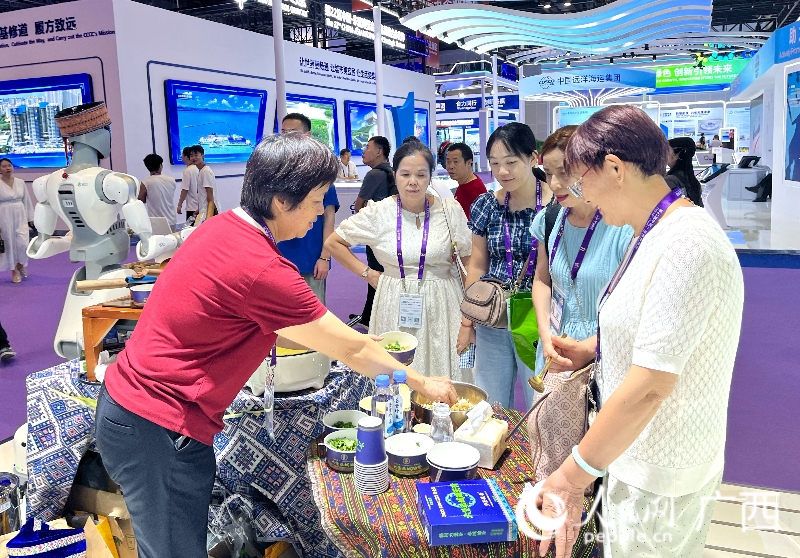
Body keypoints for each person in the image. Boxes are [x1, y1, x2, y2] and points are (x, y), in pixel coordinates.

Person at [96, 134, 457, 558]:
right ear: (282, 201)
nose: (321, 212)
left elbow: (268, 323)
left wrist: (351, 339)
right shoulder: (263, 268)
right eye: (317, 200)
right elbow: (353, 353)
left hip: (132, 413)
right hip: (159, 427)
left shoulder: (223, 227)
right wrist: (422, 382)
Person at [533, 105, 744, 558]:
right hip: (630, 454)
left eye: (581, 180)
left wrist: (570, 477)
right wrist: (594, 349)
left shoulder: (686, 245)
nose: (581, 193)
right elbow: (653, 333)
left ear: (614, 169)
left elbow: (651, 386)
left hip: (661, 471)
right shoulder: (650, 232)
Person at [326, 141, 472, 380]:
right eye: (405, 174)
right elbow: (334, 242)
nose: (413, 181)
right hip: (394, 298)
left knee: (444, 369)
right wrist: (368, 274)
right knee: (395, 374)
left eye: (421, 174)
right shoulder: (379, 212)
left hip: (443, 301)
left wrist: (469, 318)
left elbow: (468, 263)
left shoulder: (450, 210)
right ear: (395, 175)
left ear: (430, 177)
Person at [531, 126, 633, 410]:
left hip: (606, 350)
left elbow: (635, 309)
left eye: (564, 173)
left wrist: (591, 346)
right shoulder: (549, 219)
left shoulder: (622, 226)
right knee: (549, 428)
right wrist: (545, 333)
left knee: (597, 430)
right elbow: (542, 279)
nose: (555, 184)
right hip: (555, 347)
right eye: (548, 173)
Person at [462, 123, 553, 409]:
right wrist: (467, 322)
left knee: (540, 400)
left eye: (511, 162)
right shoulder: (486, 205)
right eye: (494, 163)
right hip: (493, 312)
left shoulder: (556, 206)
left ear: (533, 158)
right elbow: (477, 265)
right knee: (490, 400)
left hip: (540, 317)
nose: (502, 172)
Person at [277, 123, 339, 303]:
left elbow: (329, 219)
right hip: (278, 259)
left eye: (293, 132)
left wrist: (325, 257)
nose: (287, 137)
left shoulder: (322, 176)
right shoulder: (277, 175)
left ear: (307, 135)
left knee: (313, 310)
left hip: (310, 259)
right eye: (283, 132)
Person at [354, 136, 395, 327]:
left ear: (379, 151)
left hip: (377, 234)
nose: (364, 151)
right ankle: (369, 316)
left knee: (374, 274)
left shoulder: (374, 175)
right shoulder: (392, 172)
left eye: (368, 147)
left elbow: (358, 206)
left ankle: (374, 319)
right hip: (391, 234)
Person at [0, 158, 34, 283]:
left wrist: (30, 218)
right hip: (4, 216)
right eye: (4, 166)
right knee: (9, 244)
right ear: (0, 169)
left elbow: (27, 201)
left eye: (9, 165)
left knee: (23, 243)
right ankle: (13, 270)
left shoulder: (20, 182)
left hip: (20, 215)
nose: (7, 168)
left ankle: (20, 264)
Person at [445, 142, 487, 219]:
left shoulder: (474, 190)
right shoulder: (464, 183)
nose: (451, 166)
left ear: (468, 163)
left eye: (456, 161)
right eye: (448, 161)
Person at [139, 154, 178, 231]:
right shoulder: (172, 180)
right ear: (161, 166)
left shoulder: (145, 183)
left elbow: (141, 200)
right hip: (172, 219)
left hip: (156, 222)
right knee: (172, 238)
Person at [665, 137, 704, 206]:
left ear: (677, 154)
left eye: (667, 151)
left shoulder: (671, 181)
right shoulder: (691, 178)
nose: (665, 155)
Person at [190, 145, 219, 217]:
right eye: (191, 155)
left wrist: (209, 216)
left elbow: (210, 194)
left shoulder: (205, 171)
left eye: (196, 155)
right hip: (204, 210)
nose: (194, 158)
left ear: (202, 155)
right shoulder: (202, 171)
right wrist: (199, 209)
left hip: (208, 212)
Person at [177, 146, 200, 221]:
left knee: (192, 227)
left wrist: (179, 205)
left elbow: (185, 190)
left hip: (192, 207)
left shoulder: (187, 171)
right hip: (201, 206)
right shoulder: (199, 168)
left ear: (186, 157)